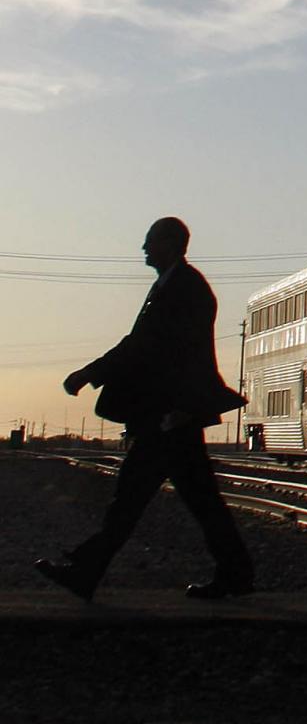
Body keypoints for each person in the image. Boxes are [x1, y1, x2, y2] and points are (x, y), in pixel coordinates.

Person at [34, 217, 253, 601]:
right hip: (167, 416)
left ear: (171, 243)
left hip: (167, 417)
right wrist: (91, 372)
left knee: (133, 498)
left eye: (151, 241)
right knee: (190, 500)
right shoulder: (173, 286)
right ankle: (235, 572)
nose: (144, 248)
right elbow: (141, 345)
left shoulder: (185, 290)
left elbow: (181, 353)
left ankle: (87, 571)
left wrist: (182, 406)